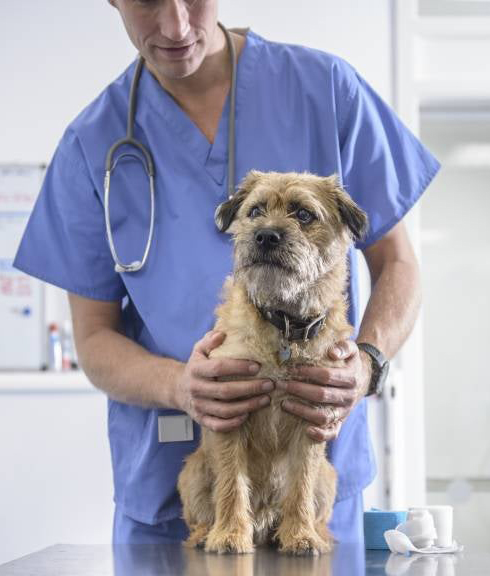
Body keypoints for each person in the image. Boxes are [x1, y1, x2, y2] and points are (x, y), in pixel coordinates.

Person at [14, 0, 439, 545]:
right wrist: (182, 387)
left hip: (310, 491)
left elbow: (398, 263)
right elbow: (93, 338)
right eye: (146, 2)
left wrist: (367, 364)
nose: (176, 26)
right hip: (173, 495)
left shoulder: (326, 90)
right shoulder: (90, 143)